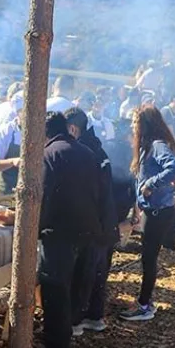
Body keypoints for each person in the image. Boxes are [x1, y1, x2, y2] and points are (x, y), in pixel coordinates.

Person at [38, 112, 106, 348]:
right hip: (86, 232)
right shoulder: (87, 152)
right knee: (75, 288)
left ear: (44, 134)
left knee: (55, 290)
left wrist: (34, 229)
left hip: (59, 234)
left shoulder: (48, 154)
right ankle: (68, 340)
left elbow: (43, 198)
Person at [119, 107, 175, 322]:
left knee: (149, 259)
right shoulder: (147, 146)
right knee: (148, 258)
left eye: (135, 122)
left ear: (145, 124)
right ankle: (145, 301)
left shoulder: (157, 145)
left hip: (159, 212)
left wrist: (151, 184)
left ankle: (144, 305)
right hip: (152, 211)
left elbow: (174, 169)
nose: (132, 126)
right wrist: (137, 208)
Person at [64, 108, 120, 333]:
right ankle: (95, 316)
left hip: (93, 221)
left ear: (73, 129)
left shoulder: (83, 151)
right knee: (98, 273)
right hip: (106, 218)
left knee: (83, 272)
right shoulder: (97, 147)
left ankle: (76, 322)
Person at [0, 94, 24, 196]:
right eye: (24, 111)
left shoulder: (41, 131)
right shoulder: (5, 132)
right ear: (17, 112)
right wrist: (12, 161)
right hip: (4, 191)